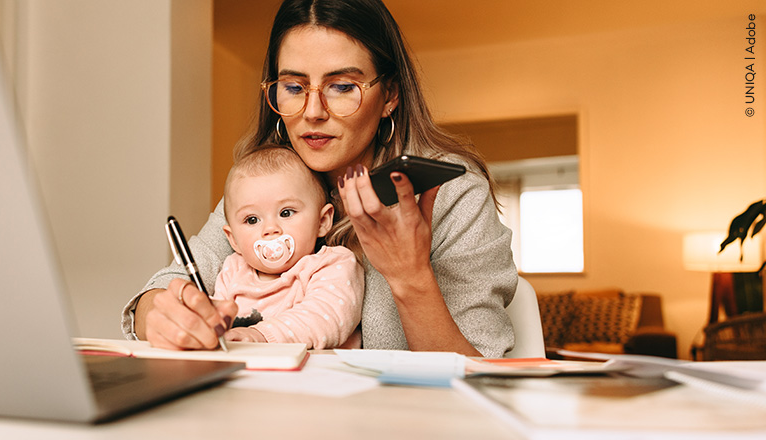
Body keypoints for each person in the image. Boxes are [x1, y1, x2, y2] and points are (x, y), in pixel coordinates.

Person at [121, 0, 518, 357]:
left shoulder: (451, 195)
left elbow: (481, 376)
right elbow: (173, 282)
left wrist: (410, 277)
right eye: (294, 87)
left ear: (391, 94)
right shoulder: (268, 182)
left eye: (342, 86)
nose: (312, 111)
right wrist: (159, 312)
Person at [215, 147, 364, 349]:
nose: (270, 229)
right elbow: (217, 320)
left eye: (286, 213)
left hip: (314, 376)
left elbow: (325, 317)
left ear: (322, 221)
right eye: (252, 219)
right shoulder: (233, 270)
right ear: (233, 240)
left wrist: (260, 335)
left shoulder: (331, 264)